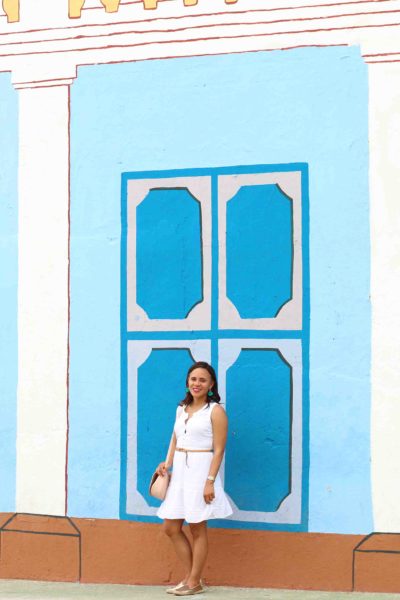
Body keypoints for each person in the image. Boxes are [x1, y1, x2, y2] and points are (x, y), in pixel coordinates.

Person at [156, 361, 233, 596]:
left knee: (198, 528)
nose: (196, 383)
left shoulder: (215, 411)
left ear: (211, 385)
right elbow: (175, 437)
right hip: (179, 471)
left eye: (202, 380)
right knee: (171, 527)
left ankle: (193, 582)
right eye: (193, 379)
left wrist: (210, 481)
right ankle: (192, 578)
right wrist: (166, 463)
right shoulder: (182, 408)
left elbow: (219, 450)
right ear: (187, 382)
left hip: (201, 473)